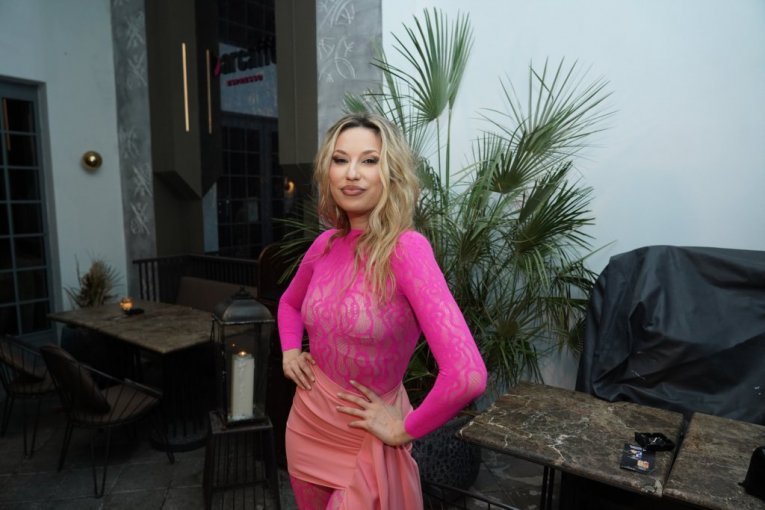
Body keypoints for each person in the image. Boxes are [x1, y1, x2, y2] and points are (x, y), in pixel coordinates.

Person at [278, 112, 488, 509]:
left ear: (390, 173)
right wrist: (290, 350)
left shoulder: (406, 250)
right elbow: (289, 303)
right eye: (340, 160)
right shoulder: (324, 245)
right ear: (327, 172)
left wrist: (403, 429)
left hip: (367, 438)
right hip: (307, 425)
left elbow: (468, 374)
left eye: (369, 160)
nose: (351, 173)